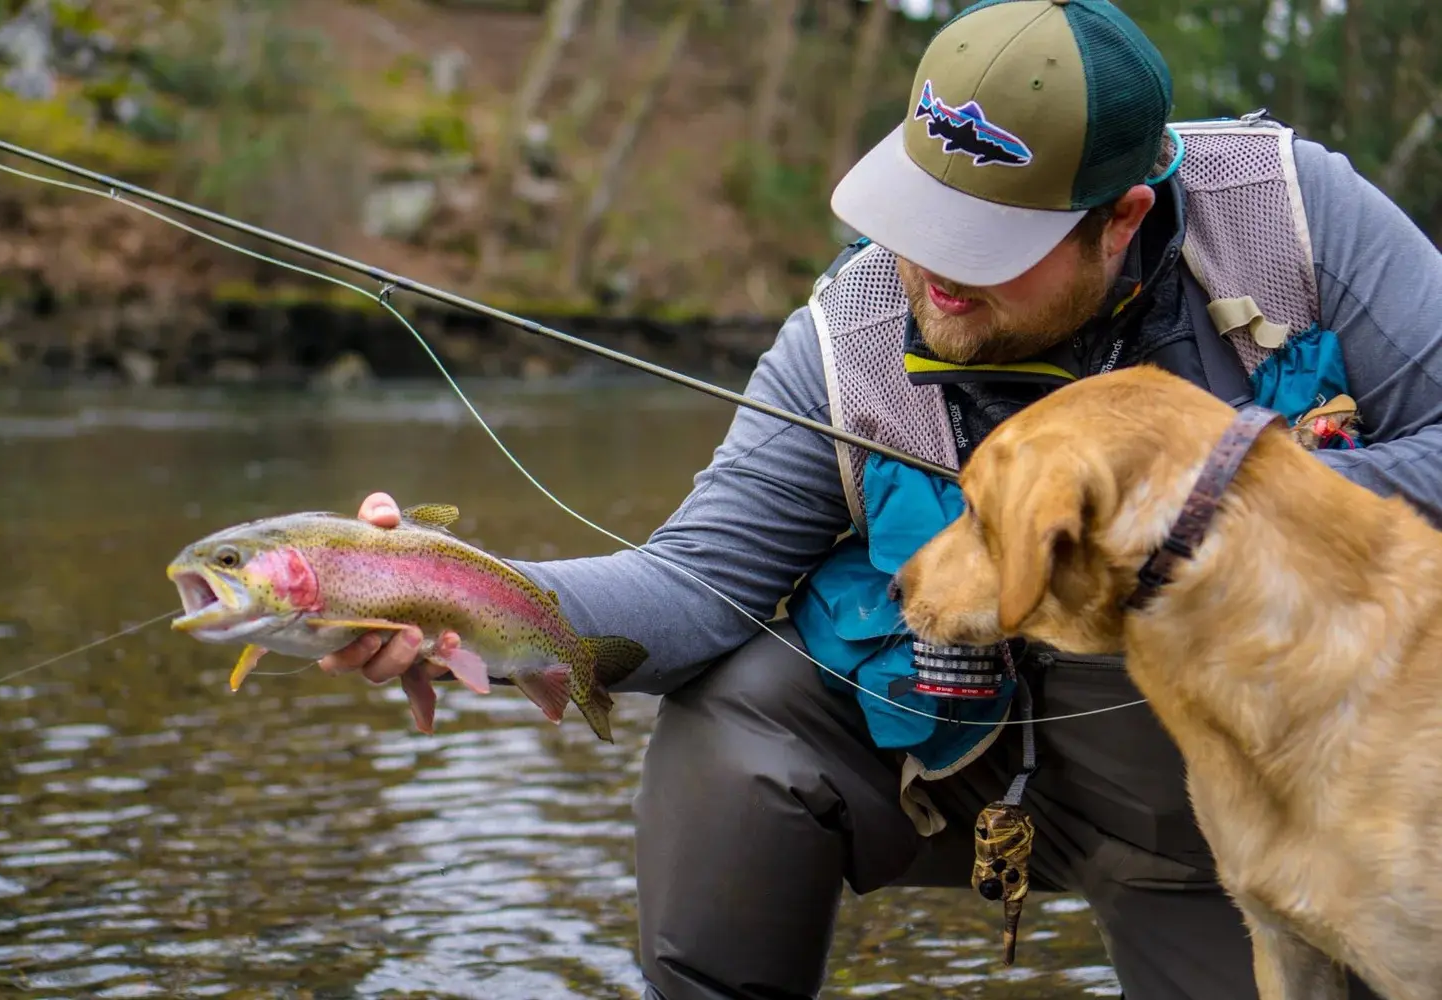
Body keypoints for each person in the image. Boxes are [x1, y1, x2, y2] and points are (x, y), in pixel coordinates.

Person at [317, 0, 1442, 996]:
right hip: (971, 753)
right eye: (919, 214)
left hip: (1249, 805)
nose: (929, 272)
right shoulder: (843, 338)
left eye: (984, 243)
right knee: (740, 703)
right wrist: (454, 596)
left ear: (1124, 216)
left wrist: (1209, 506)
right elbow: (694, 585)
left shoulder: (1296, 218)